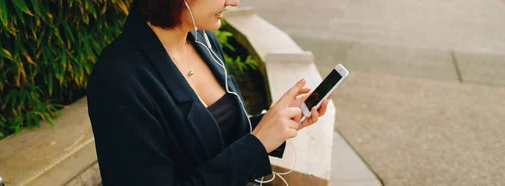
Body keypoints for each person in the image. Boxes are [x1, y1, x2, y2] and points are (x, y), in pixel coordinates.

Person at [86, 0, 331, 185]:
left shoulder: (202, 40)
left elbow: (212, 136)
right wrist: (257, 144)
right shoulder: (119, 78)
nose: (233, 2)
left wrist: (276, 122)